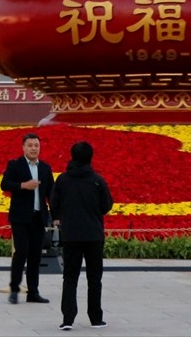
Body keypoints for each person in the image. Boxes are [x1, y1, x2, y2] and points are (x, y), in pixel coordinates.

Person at [50, 141, 114, 331]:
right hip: (93, 235)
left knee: (70, 277)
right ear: (90, 158)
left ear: (72, 156)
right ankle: (95, 318)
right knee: (94, 278)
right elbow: (107, 205)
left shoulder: (63, 180)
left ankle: (68, 319)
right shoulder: (97, 180)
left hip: (71, 235)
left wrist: (61, 217)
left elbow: (54, 203)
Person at [0, 131, 55, 305]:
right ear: (23, 147)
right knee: (21, 252)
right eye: (30, 145)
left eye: (36, 145)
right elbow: (5, 184)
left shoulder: (45, 168)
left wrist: (56, 216)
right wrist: (24, 185)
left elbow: (51, 194)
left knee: (35, 255)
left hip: (39, 217)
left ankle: (33, 292)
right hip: (20, 217)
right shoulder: (15, 165)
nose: (33, 148)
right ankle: (14, 289)